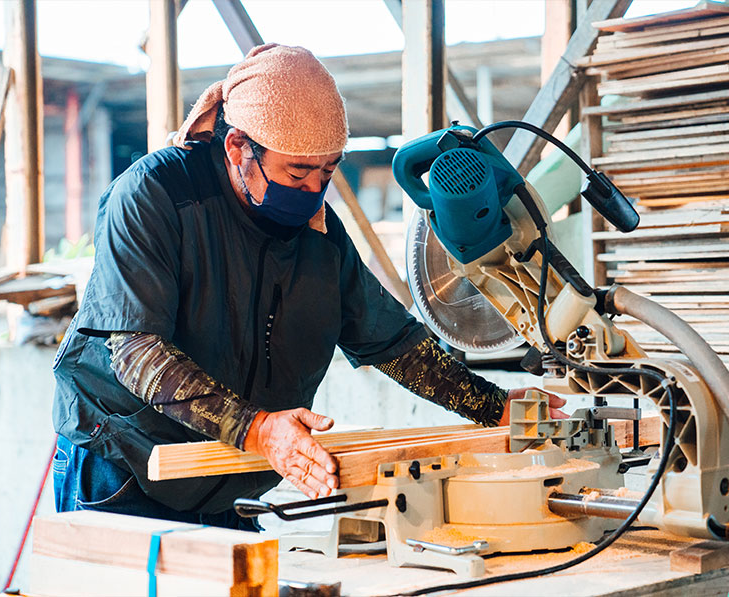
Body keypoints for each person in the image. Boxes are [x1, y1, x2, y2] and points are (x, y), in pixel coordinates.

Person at [52, 44, 567, 530]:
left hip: (231, 476)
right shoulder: (155, 195)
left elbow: (393, 345)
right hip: (128, 469)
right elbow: (138, 352)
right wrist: (259, 430)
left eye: (327, 172)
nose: (314, 191)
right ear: (238, 147)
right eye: (297, 172)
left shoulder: (320, 237)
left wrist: (493, 406)